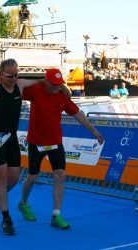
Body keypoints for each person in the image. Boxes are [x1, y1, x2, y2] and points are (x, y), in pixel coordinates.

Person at [0, 59, 69, 235]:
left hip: (11, 138)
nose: (13, 79)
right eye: (9, 76)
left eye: (15, 75)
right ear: (0, 74)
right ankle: (7, 219)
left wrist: (64, 87)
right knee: (1, 176)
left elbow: (42, 80)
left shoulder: (20, 84)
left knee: (14, 178)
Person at [18, 68, 104, 229]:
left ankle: (56, 215)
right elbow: (17, 84)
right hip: (36, 142)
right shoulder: (36, 91)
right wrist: (40, 81)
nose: (58, 87)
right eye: (54, 84)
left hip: (55, 142)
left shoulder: (62, 96)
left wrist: (94, 131)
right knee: (32, 177)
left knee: (60, 174)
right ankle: (23, 203)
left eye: (60, 84)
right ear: (47, 82)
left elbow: (78, 114)